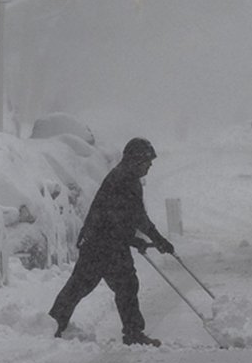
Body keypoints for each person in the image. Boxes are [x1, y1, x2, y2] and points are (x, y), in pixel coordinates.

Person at [49, 137, 175, 346]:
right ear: (136, 160)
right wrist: (144, 240)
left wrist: (153, 239)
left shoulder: (128, 178)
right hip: (102, 244)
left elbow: (133, 217)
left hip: (105, 243)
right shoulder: (122, 180)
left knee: (86, 286)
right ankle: (132, 333)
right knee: (112, 285)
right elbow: (118, 219)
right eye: (147, 161)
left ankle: (53, 323)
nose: (150, 166)